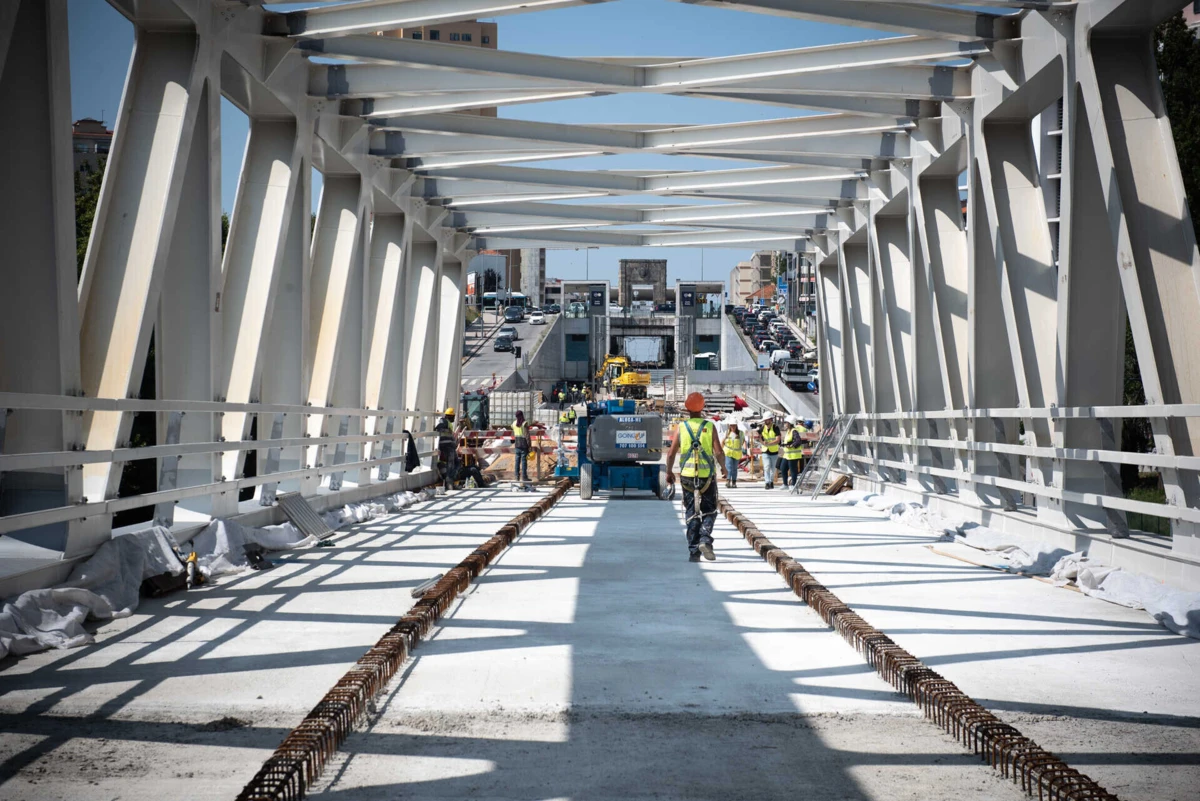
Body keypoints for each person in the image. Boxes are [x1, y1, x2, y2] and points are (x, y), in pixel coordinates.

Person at [665, 392, 728, 562]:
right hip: (706, 477)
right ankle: (705, 539)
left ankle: (694, 552)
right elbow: (719, 452)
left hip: (687, 477)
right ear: (702, 408)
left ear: (687, 408)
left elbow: (671, 454)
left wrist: (669, 472)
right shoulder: (710, 426)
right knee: (709, 510)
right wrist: (724, 468)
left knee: (691, 512)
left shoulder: (681, 427)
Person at [434, 407, 458, 490]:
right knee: (451, 465)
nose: (454, 418)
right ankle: (449, 484)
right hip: (447, 447)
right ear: (450, 416)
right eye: (453, 416)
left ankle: (449, 482)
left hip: (449, 446)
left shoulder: (448, 423)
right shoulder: (444, 421)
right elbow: (439, 427)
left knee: (453, 463)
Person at [779, 416, 804, 489]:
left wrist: (792, 445)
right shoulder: (788, 431)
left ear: (790, 423)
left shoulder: (794, 431)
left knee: (793, 470)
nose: (785, 424)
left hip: (793, 455)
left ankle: (793, 485)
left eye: (786, 423)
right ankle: (785, 484)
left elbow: (798, 441)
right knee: (783, 468)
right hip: (787, 455)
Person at [759, 412, 781, 489]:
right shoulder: (762, 428)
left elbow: (778, 440)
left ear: (771, 420)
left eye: (766, 420)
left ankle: (771, 481)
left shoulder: (775, 428)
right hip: (765, 451)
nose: (765, 421)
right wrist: (762, 442)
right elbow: (759, 436)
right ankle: (767, 482)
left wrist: (769, 443)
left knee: (773, 468)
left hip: (774, 451)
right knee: (766, 467)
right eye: (765, 420)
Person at [512, 410, 532, 488]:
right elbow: (527, 436)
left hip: (517, 444)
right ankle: (524, 476)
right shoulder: (524, 423)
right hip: (524, 445)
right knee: (524, 461)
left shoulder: (513, 423)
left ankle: (516, 476)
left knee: (517, 461)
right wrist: (529, 445)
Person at [722, 422, 743, 489]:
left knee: (734, 469)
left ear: (736, 425)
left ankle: (734, 482)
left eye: (734, 425)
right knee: (729, 468)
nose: (733, 427)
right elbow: (722, 442)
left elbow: (742, 442)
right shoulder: (727, 433)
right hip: (728, 452)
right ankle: (728, 481)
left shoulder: (740, 433)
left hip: (736, 453)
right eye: (731, 426)